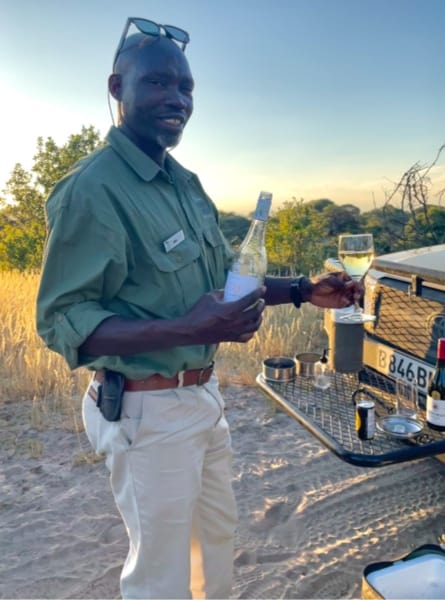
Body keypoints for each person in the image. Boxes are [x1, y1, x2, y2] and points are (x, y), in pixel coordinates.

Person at [36, 18, 359, 600]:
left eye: (185, 88)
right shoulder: (93, 188)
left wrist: (303, 290)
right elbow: (64, 319)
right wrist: (187, 327)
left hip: (203, 398)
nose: (177, 100)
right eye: (158, 83)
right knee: (160, 577)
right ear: (117, 88)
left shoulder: (184, 183)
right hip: (145, 410)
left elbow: (222, 282)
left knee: (215, 544)